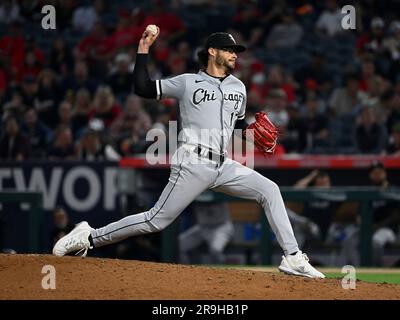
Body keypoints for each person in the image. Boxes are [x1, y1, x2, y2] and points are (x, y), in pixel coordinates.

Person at [52, 27, 325, 278]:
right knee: (155, 220)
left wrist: (252, 135)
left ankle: (292, 257)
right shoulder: (187, 82)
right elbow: (143, 88)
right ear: (212, 52)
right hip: (192, 161)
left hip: (222, 164)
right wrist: (143, 49)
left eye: (236, 52)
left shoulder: (238, 88)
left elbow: (237, 126)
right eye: (229, 50)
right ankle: (88, 237)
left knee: (270, 190)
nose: (234, 55)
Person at [342, 161, 400, 266]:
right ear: (370, 175)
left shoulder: (393, 190)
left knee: (374, 243)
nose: (377, 174)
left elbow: (396, 215)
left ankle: (376, 268)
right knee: (349, 241)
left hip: (387, 229)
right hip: (367, 227)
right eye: (374, 172)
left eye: (380, 172)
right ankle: (357, 269)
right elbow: (359, 213)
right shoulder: (367, 191)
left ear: (385, 173)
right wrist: (361, 221)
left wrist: (378, 225)